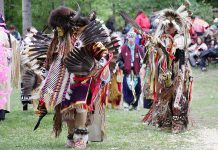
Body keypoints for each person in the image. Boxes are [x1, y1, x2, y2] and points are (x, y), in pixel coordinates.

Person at [35, 6, 116, 148]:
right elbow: (51, 57)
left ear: (67, 24)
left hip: (82, 77)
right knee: (65, 111)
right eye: (56, 27)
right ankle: (72, 134)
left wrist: (100, 63)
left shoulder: (82, 34)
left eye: (60, 27)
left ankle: (81, 136)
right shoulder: (58, 39)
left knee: (80, 106)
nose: (58, 30)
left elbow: (102, 51)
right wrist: (45, 71)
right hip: (62, 80)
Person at [142, 0, 193, 133]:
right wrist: (152, 46)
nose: (167, 28)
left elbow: (173, 52)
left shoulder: (180, 39)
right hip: (163, 71)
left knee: (177, 96)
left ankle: (178, 123)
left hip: (178, 70)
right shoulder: (161, 37)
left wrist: (160, 45)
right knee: (163, 97)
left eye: (170, 26)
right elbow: (156, 54)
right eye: (166, 26)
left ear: (176, 27)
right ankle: (165, 121)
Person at [0, 14, 20, 121]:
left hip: (3, 65)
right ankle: (2, 112)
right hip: (4, 67)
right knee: (3, 88)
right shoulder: (7, 35)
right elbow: (15, 45)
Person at [118, 30, 143, 111]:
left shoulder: (139, 48)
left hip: (136, 71)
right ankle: (126, 104)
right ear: (127, 38)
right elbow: (119, 60)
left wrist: (140, 66)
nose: (131, 39)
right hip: (127, 71)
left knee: (137, 88)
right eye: (129, 37)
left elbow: (143, 60)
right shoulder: (123, 48)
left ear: (135, 38)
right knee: (127, 88)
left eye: (132, 37)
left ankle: (135, 105)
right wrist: (123, 66)